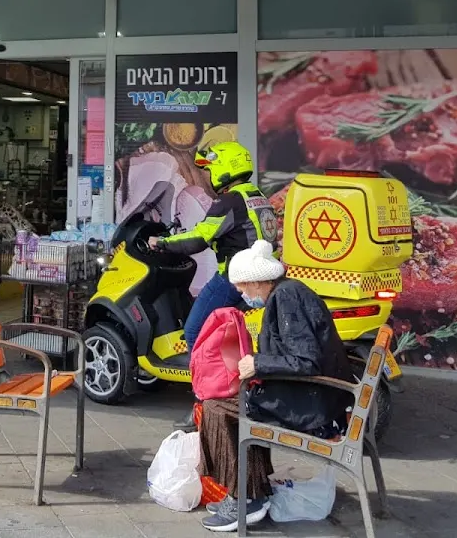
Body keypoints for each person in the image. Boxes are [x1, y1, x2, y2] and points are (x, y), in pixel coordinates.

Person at [198, 239, 354, 532]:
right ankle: (251, 492)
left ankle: (245, 499)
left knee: (216, 408)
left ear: (257, 282)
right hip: (319, 397)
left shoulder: (286, 299)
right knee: (240, 404)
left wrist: (258, 363)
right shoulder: (288, 291)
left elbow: (306, 360)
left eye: (242, 287)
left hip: (313, 407)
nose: (242, 293)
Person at [146, 141, 276, 428]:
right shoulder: (258, 197)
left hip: (234, 278)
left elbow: (198, 238)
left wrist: (162, 242)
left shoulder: (230, 202)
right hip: (260, 279)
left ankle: (203, 402)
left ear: (224, 168)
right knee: (231, 337)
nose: (207, 174)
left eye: (211, 168)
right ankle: (235, 394)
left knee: (195, 332)